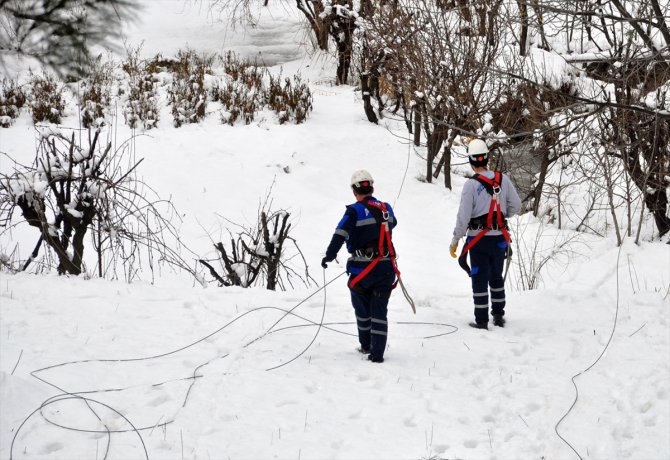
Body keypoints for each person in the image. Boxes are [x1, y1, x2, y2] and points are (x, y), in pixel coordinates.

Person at [321, 170, 398, 363]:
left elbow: (340, 233)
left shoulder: (353, 211)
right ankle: (377, 354)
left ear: (355, 191)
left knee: (362, 310)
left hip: (361, 271)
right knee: (380, 311)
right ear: (372, 188)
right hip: (386, 268)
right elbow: (392, 224)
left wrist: (329, 256)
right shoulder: (386, 208)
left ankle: (366, 346)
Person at [450, 139, 521, 330]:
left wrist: (456, 239)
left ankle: (481, 320)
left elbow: (463, 216)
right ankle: (498, 315)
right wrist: (502, 215)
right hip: (499, 239)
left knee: (479, 278)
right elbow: (517, 205)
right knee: (496, 276)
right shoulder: (503, 180)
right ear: (487, 158)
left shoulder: (471, 186)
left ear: (471, 161)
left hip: (478, 240)